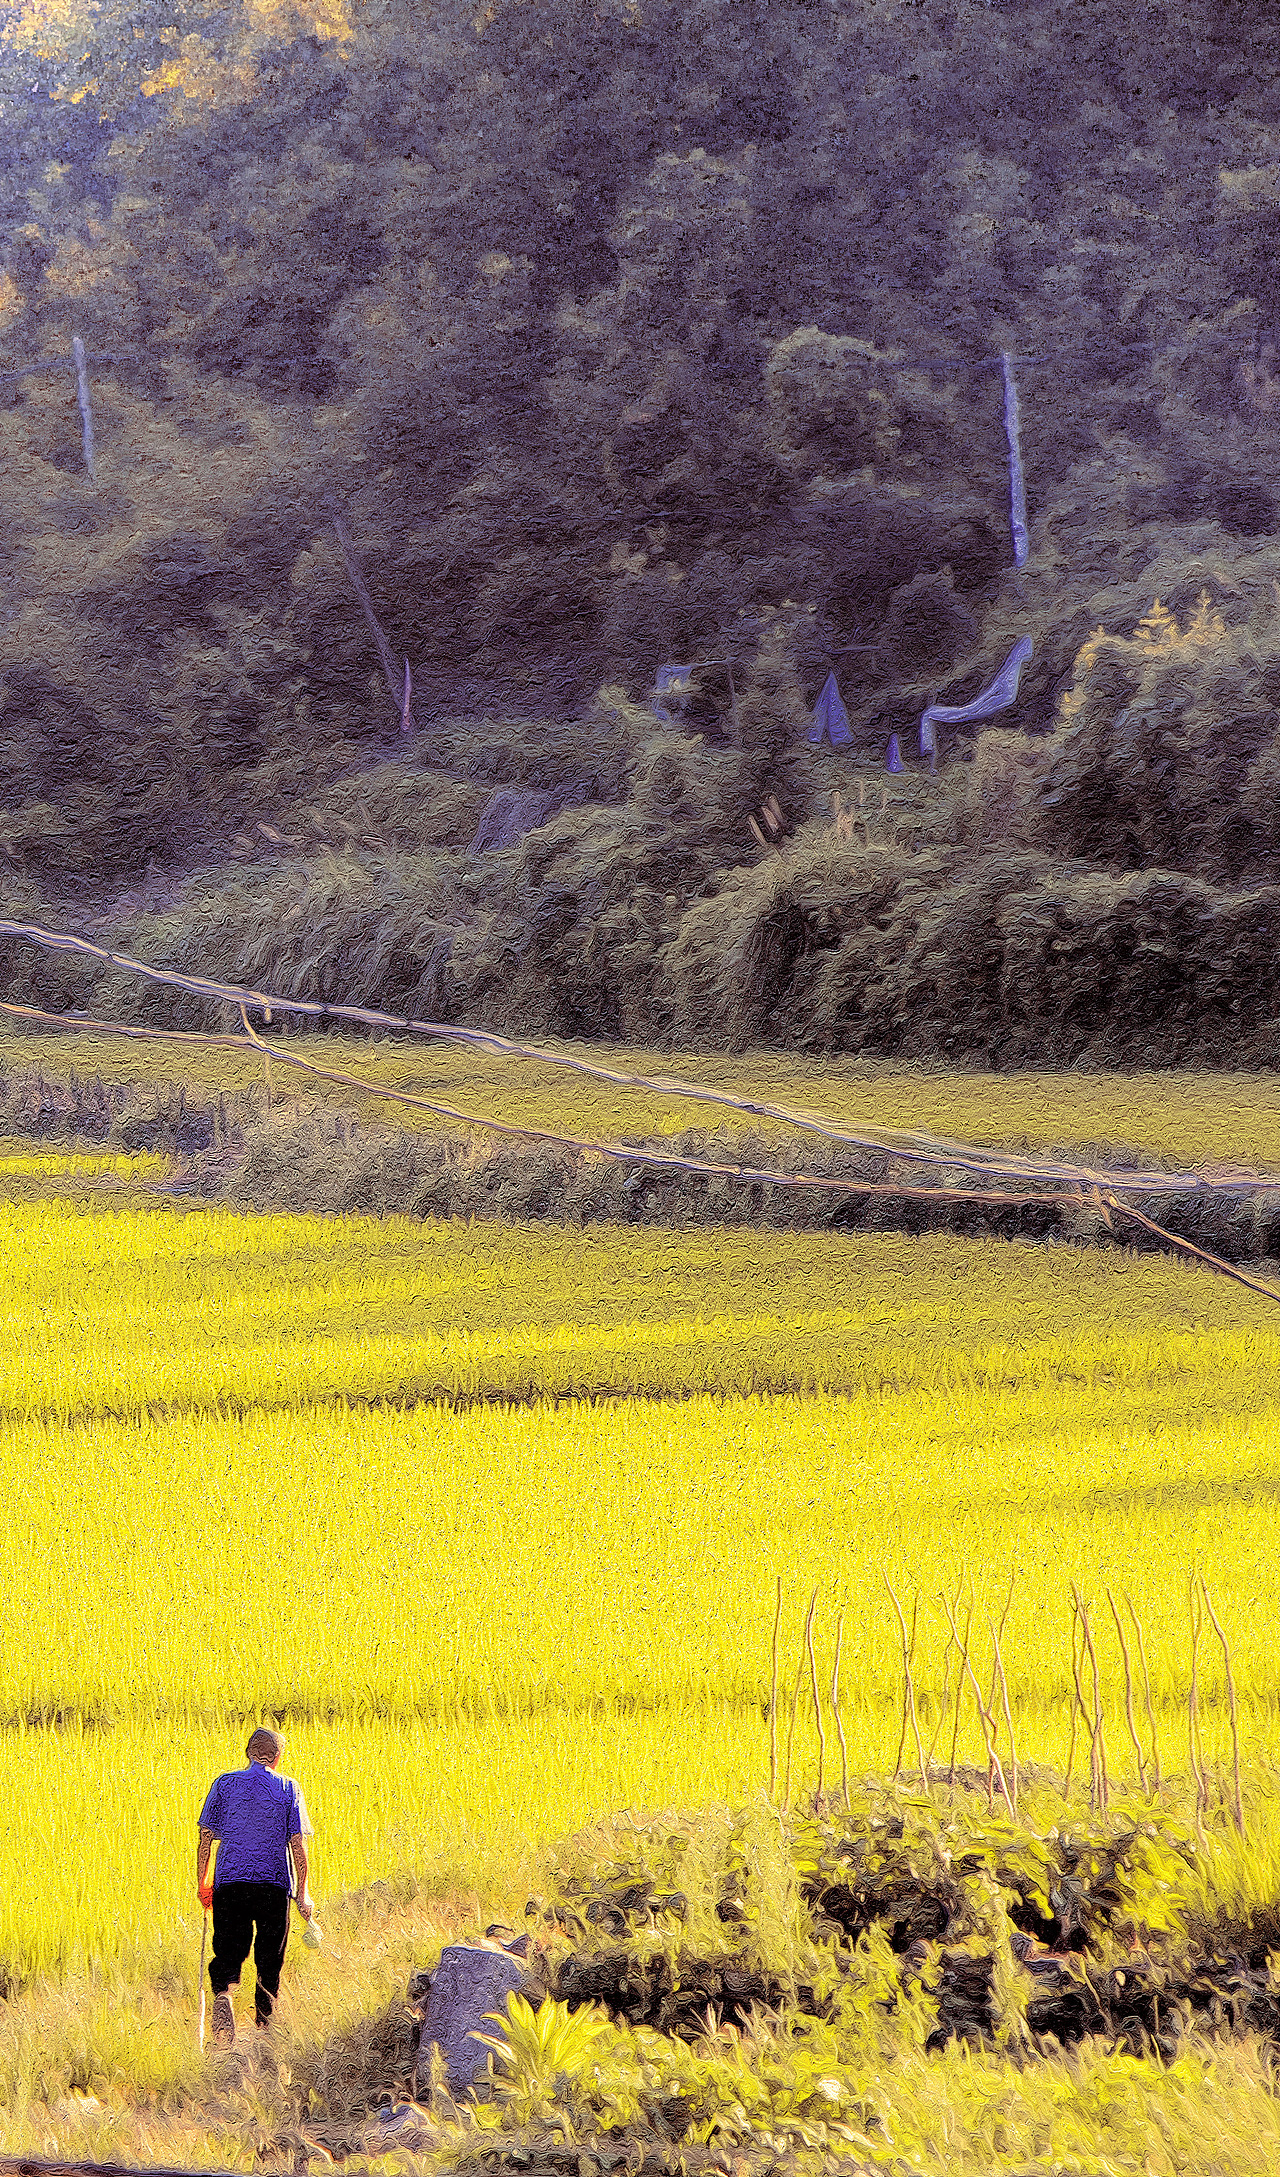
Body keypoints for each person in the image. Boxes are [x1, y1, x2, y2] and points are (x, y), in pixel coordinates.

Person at [197, 1725, 315, 2046]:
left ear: (248, 1753)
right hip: (272, 1885)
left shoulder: (223, 1784)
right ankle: (265, 2026)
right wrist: (303, 1893)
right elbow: (297, 1843)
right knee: (269, 1957)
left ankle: (224, 1995)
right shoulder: (289, 1788)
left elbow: (206, 1836)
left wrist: (203, 1883)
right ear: (277, 1758)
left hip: (229, 1882)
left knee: (228, 1950)